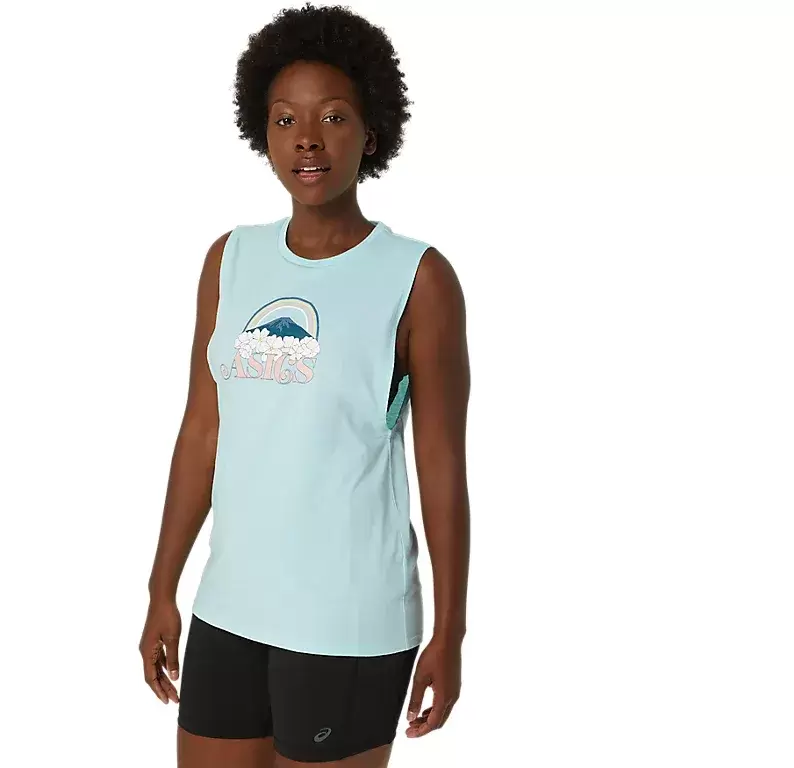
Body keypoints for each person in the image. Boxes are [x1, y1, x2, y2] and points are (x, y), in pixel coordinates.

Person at [140, 4, 471, 766]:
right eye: (285, 119)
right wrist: (162, 587)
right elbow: (203, 431)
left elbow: (441, 465)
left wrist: (450, 631)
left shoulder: (417, 278)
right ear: (263, 134)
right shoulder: (231, 260)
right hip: (230, 609)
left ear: (371, 133)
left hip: (347, 623)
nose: (307, 139)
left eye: (333, 117)